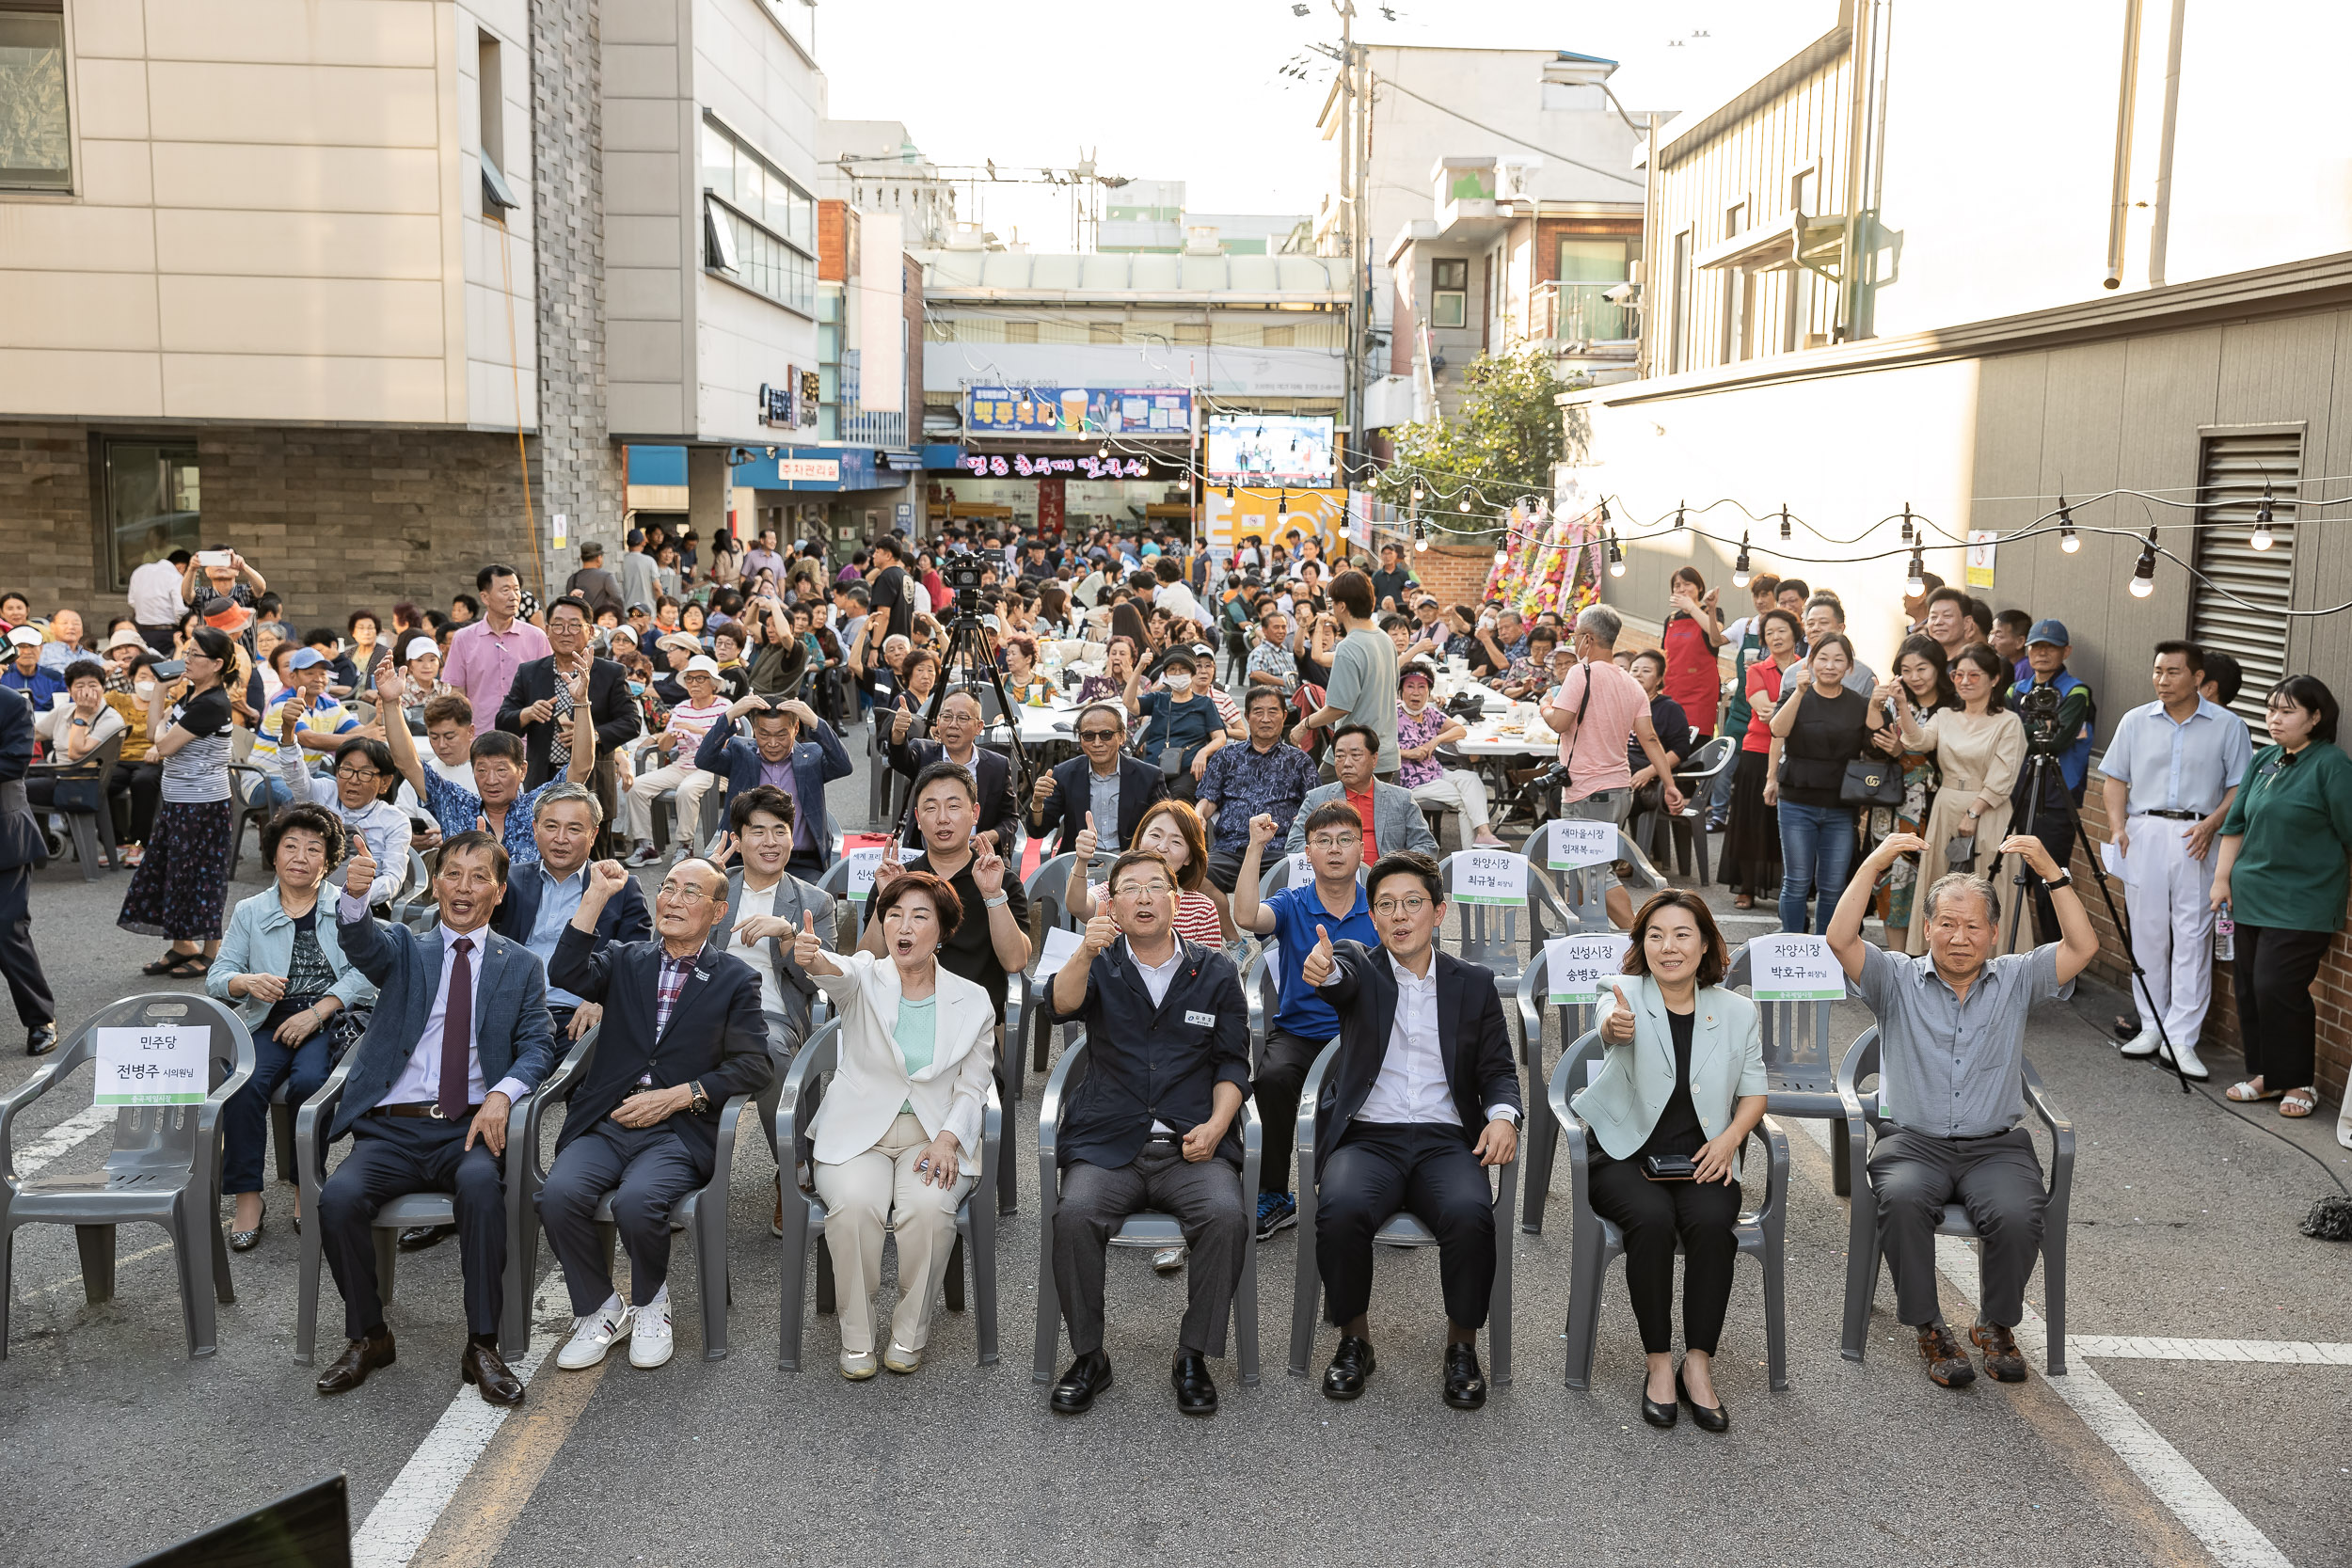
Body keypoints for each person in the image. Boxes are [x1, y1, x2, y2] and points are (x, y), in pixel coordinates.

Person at [1826, 830, 2100, 1387]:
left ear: (1993, 933)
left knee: (2022, 1214)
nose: (1958, 937)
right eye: (1946, 924)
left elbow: (2082, 948)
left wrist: (2053, 870)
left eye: (1973, 926)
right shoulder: (1896, 979)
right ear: (1927, 929)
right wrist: (1878, 859)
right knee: (1900, 1200)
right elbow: (1839, 936)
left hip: (1995, 1147)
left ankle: (1995, 1324)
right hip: (1912, 1141)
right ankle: (1930, 1328)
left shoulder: (2018, 979)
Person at [312, 830, 560, 1402]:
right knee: (339, 1199)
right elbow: (362, 943)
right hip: (393, 1128)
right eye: (452, 873)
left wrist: (503, 1094)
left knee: (480, 1190)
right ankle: (370, 1335)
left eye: (479, 878)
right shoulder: (405, 946)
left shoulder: (520, 965)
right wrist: (355, 898)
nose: (463, 887)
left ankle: (482, 1342)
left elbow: (538, 1045)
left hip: (468, 1127)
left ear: (499, 893)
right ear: (436, 882)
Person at [1297, 851, 1519, 1408]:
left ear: (1439, 912)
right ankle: (1354, 1340)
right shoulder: (1359, 965)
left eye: (1413, 903)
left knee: (1471, 1214)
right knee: (1341, 1208)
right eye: (1386, 906)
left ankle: (1461, 1345)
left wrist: (1501, 1117)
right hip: (1371, 1136)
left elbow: (1498, 1070)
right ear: (1372, 918)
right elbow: (1337, 978)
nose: (1400, 916)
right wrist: (1322, 971)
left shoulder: (1474, 984)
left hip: (1447, 1139)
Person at [538, 856, 771, 1371]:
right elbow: (565, 971)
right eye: (668, 888)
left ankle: (650, 1303)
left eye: (692, 893)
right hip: (609, 1119)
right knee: (556, 1195)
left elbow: (755, 1063)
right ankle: (599, 1307)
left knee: (639, 1203)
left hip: (677, 1129)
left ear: (717, 912)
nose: (674, 900)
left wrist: (681, 1095)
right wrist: (596, 895)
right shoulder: (626, 958)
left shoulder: (734, 978)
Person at [1044, 848, 1250, 1415]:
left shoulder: (1213, 971)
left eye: (1153, 886)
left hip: (1192, 1145)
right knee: (1075, 1216)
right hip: (1110, 1141)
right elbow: (1059, 1005)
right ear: (1111, 902)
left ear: (1176, 898)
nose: (1142, 898)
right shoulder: (1101, 961)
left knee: (1227, 1216)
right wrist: (1086, 950)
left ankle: (1193, 1354)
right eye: (1128, 889)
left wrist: (1215, 1126)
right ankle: (1089, 1355)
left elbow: (1235, 1064)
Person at [1575, 890, 1766, 1429]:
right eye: (1655, 935)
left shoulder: (1736, 1012)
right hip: (1623, 1154)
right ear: (1641, 944)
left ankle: (1698, 1362)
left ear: (1705, 944)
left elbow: (1754, 1096)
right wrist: (1616, 1026)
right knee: (1652, 1221)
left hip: (1702, 1153)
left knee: (1712, 1222)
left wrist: (1729, 1141)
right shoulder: (1623, 991)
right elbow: (1608, 1021)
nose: (1668, 947)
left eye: (1682, 935)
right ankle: (1658, 1361)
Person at [792, 871, 993, 1377]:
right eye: (894, 915)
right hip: (858, 1135)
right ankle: (856, 1336)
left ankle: (910, 1332)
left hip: (933, 1135)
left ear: (942, 930)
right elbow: (834, 971)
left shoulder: (973, 1000)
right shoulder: (866, 974)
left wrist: (950, 1139)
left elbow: (974, 1086)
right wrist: (813, 955)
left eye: (919, 916)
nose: (904, 926)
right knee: (855, 1206)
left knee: (927, 1209)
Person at [209, 803, 377, 1248]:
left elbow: (366, 972)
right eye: (290, 846)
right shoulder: (250, 909)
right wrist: (245, 981)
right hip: (269, 1018)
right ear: (274, 853)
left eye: (313, 848)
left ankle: (307, 1186)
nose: (300, 856)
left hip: (328, 1018)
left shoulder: (346, 905)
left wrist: (319, 1010)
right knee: (242, 1084)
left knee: (309, 1083)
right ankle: (248, 1197)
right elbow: (217, 976)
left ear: (329, 860)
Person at [2099, 641, 2251, 1079]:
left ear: (2198, 678)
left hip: (2199, 836)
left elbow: (2239, 788)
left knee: (2192, 935)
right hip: (2144, 831)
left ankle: (2181, 1037)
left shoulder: (2227, 725)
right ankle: (2151, 1025)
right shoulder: (2135, 721)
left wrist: (2211, 825)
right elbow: (2115, 780)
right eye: (2158, 671)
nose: (2162, 680)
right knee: (2147, 935)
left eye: (2173, 672)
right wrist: (2117, 827)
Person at [2212, 676, 2352, 1122]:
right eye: (2271, 709)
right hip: (2250, 893)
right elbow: (2235, 825)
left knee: (2278, 986)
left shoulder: (2332, 765)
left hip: (2304, 901)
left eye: (2287, 711)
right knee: (2250, 988)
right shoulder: (2265, 759)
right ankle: (2265, 1075)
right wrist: (2221, 881)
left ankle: (2299, 1080)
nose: (2274, 718)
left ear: (2316, 717)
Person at [865, 764, 1031, 1095]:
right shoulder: (899, 880)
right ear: (917, 817)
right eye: (931, 807)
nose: (942, 818)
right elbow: (866, 960)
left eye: (954, 806)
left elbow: (1016, 962)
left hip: (970, 1031)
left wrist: (992, 896)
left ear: (975, 813)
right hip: (897, 1026)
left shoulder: (1001, 880)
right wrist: (888, 901)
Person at [1543, 607, 1688, 927]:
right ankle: (1586, 936)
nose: (1575, 641)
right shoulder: (1631, 684)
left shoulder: (1581, 673)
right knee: (1585, 868)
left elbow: (1560, 722)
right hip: (1619, 790)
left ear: (1589, 639)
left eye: (1577, 635)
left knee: (1592, 869)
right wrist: (1671, 784)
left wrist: (1545, 707)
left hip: (1586, 790)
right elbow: (1650, 738)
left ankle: (1638, 935)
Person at [374, 658, 595, 869]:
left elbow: (581, 767)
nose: (491, 780)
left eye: (501, 770)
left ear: (522, 771)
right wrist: (391, 703)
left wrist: (581, 701)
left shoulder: (539, 807)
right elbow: (407, 763)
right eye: (481, 770)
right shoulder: (456, 805)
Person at [1885, 644, 2027, 957]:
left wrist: (1974, 812)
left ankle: (1995, 963)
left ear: (1994, 679)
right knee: (1942, 886)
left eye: (1974, 674)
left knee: (1990, 885)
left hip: (1989, 810)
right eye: (1958, 674)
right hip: (1946, 804)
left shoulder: (2008, 722)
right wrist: (1902, 706)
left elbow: (2004, 776)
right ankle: (1939, 959)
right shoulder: (1946, 715)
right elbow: (1920, 741)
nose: (1964, 681)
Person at [118, 626, 239, 977]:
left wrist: (159, 741)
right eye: (186, 653)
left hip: (205, 804)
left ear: (216, 664)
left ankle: (212, 950)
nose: (186, 661)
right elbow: (152, 731)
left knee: (204, 875)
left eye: (194, 655)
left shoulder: (213, 704)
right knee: (173, 873)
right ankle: (182, 944)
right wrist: (160, 688)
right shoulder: (192, 697)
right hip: (178, 800)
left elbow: (165, 745)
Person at [489, 782, 651, 1039]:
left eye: (574, 829)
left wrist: (603, 999)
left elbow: (639, 959)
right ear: (535, 829)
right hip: (510, 1011)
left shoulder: (620, 888)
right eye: (551, 826)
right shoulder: (511, 881)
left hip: (577, 1018)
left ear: (593, 834)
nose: (560, 839)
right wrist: (476, 874)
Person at [1766, 632, 1884, 934]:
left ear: (1849, 667)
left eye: (1838, 660)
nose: (1830, 666)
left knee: (1832, 886)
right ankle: (1791, 946)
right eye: (1823, 658)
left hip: (1841, 805)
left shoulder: (1858, 703)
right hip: (1796, 801)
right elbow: (1777, 730)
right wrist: (1799, 693)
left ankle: (1826, 951)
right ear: (1810, 661)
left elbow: (1875, 748)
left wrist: (1875, 709)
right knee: (1796, 882)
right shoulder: (1794, 693)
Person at [696, 691, 852, 879]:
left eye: (781, 735)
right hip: (745, 861)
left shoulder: (812, 757)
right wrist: (731, 715)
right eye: (764, 734)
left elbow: (843, 766)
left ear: (795, 729)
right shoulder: (741, 753)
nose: (772, 743)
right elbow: (704, 759)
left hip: (802, 863)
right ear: (754, 729)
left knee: (812, 905)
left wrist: (815, 722)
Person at [1866, 637, 1960, 942]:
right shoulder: (1893, 703)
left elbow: (1952, 762)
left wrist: (1901, 754)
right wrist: (1874, 704)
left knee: (1933, 886)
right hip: (1891, 807)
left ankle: (1929, 959)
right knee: (1891, 885)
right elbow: (1870, 745)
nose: (1915, 677)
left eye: (1923, 668)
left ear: (1938, 668)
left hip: (1932, 810)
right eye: (1907, 670)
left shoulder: (1954, 708)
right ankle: (1897, 960)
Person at [2008, 620, 2096, 942]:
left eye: (2051, 647)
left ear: (2066, 651)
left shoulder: (2076, 691)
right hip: (2019, 790)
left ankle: (2059, 958)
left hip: (2058, 796)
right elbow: (2008, 737)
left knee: (2050, 880)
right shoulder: (2015, 690)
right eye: (2036, 647)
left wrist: (2024, 731)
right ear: (2027, 651)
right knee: (2014, 877)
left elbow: (2055, 742)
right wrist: (2034, 730)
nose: (2042, 653)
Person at [495, 595, 639, 790]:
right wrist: (526, 714)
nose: (565, 633)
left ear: (590, 631)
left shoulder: (611, 673)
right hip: (542, 780)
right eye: (558, 625)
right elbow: (502, 721)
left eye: (574, 626)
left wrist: (592, 735)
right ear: (547, 630)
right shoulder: (530, 672)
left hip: (593, 782)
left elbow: (631, 722)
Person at [1196, 687, 1322, 898]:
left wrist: (1305, 819)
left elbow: (1315, 806)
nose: (1265, 719)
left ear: (1283, 716)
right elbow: (1208, 798)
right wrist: (1198, 813)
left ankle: (1272, 931)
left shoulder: (1300, 761)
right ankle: (1231, 933)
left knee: (1294, 878)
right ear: (1246, 716)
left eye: (1273, 712)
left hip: (1279, 848)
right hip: (1231, 847)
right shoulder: (1226, 756)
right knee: (1199, 876)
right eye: (1258, 712)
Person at [271, 715, 409, 907]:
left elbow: (392, 879)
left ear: (385, 783)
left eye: (365, 773)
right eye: (347, 770)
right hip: (307, 896)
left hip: (361, 905)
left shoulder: (395, 820)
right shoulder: (322, 793)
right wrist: (288, 732)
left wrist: (352, 894)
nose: (353, 780)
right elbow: (295, 776)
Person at [1724, 609, 1803, 911]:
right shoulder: (1756, 669)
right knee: (1751, 822)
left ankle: (1788, 887)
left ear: (1795, 634)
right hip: (1757, 752)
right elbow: (1764, 711)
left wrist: (1785, 711)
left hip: (1796, 753)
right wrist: (1795, 709)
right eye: (1769, 633)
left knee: (1785, 826)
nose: (1775, 637)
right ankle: (1746, 886)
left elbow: (1779, 711)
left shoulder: (1807, 669)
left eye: (1781, 630)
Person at [1065, 799, 1227, 947]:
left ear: (1189, 857)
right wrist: (1082, 861)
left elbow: (1210, 973)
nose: (1162, 847)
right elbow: (1077, 906)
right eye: (1155, 835)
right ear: (1141, 838)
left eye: (1176, 841)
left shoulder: (1202, 909)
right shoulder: (1116, 892)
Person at [621, 655, 730, 867]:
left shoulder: (724, 707)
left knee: (686, 789)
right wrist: (671, 736)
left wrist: (694, 729)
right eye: (690, 679)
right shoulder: (681, 708)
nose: (694, 684)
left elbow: (728, 744)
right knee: (637, 786)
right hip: (682, 765)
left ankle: (685, 845)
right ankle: (646, 845)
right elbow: (664, 748)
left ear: (714, 683)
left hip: (712, 768)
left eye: (701, 679)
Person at [1294, 570, 1398, 779]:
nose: (1331, 608)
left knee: (1316, 804)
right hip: (1385, 753)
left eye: (1332, 602)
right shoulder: (1385, 640)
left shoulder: (1349, 647)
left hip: (1353, 754)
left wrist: (1304, 725)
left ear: (1342, 606)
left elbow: (1338, 708)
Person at [1283, 723, 1440, 861]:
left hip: (1387, 886)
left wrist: (1398, 869)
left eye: (1356, 755)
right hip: (1333, 883)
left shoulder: (1402, 798)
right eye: (1339, 756)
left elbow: (1425, 845)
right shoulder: (1316, 799)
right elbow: (1294, 845)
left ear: (1374, 759)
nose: (1346, 763)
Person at [1027, 701, 1165, 859]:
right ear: (1080, 739)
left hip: (1131, 862)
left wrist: (1135, 852)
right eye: (1089, 736)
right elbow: (1038, 830)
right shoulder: (1064, 774)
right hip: (1079, 863)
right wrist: (1037, 802)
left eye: (1106, 735)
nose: (1097, 743)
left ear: (1122, 737)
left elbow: (1165, 826)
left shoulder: (1149, 776)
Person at [889, 688, 1017, 851]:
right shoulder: (923, 753)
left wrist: (993, 835)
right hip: (928, 857)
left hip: (978, 858)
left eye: (963, 718)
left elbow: (1010, 818)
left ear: (979, 727)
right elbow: (899, 759)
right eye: (947, 716)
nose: (953, 724)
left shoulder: (997, 765)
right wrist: (898, 732)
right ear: (938, 721)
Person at [1393, 663, 1505, 847]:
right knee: (1466, 801)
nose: (1416, 692)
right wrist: (1407, 753)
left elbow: (1460, 730)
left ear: (1429, 692)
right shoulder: (1393, 715)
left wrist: (1435, 741)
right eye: (1410, 686)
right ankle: (1471, 853)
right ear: (1401, 691)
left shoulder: (1429, 714)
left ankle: (1483, 835)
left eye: (1422, 687)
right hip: (1410, 781)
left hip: (1436, 773)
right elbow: (1378, 747)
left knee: (1470, 778)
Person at [0, 683, 55, 1055]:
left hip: (4, 834)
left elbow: (16, 760)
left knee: (7, 929)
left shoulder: (10, 703)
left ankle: (40, 1018)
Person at [441, 564, 551, 737]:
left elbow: (549, 687)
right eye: (505, 590)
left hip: (527, 739)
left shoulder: (537, 637)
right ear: (485, 597)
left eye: (517, 590)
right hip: (480, 736)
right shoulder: (463, 639)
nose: (514, 597)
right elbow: (458, 694)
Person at [1124, 646, 1228, 800]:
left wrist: (1203, 752)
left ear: (1192, 673)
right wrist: (1140, 667)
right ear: (1166, 674)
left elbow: (1220, 738)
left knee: (1176, 799)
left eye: (1183, 669)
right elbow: (1129, 702)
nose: (1178, 673)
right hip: (1155, 766)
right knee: (1141, 799)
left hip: (1188, 768)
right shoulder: (1158, 699)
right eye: (1172, 669)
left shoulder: (1204, 703)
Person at [1626, 649, 1692, 819]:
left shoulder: (1670, 709)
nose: (1638, 675)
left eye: (1646, 671)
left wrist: (1649, 772)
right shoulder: (1620, 704)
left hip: (1648, 781)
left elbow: (1680, 750)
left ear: (1659, 679)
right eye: (1634, 670)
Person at [1658, 569, 1722, 742]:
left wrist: (1692, 607)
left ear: (1699, 587)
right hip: (1673, 689)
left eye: (1687, 584)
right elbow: (1665, 654)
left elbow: (1715, 633)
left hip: (1701, 694)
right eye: (1677, 586)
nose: (1681, 589)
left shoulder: (1712, 612)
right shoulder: (1670, 619)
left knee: (1695, 741)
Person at [129, 547, 193, 652]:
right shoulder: (175, 576)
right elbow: (180, 610)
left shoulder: (139, 571)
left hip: (141, 632)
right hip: (166, 635)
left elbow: (131, 601)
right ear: (182, 567)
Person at [2, 626, 62, 711]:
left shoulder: (56, 678)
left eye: (32, 646)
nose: (27, 651)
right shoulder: (2, 676)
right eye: (21, 646)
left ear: (41, 648)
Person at [564, 543, 626, 621]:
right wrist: (621, 619)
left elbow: (569, 604)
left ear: (581, 558)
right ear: (599, 558)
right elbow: (617, 598)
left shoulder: (572, 579)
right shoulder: (606, 577)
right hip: (601, 625)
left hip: (580, 625)